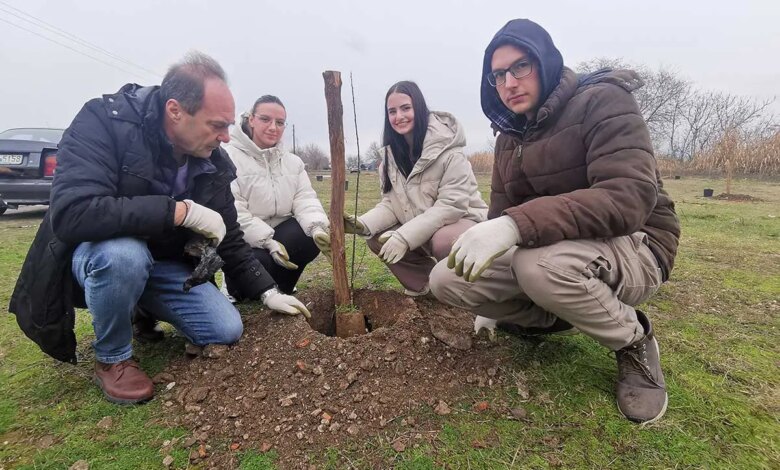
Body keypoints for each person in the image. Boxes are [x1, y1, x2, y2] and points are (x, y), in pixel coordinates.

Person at [8, 52, 310, 405]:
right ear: (175, 111)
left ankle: (140, 305)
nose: (227, 137)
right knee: (124, 256)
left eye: (228, 125)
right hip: (98, 256)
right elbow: (72, 213)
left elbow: (229, 238)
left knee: (225, 329)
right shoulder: (105, 123)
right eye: (216, 125)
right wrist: (178, 212)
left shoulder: (213, 161)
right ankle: (113, 358)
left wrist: (268, 292)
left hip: (162, 263)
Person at [429, 19, 681, 424]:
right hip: (558, 255)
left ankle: (635, 342)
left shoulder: (603, 100)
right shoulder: (508, 138)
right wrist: (492, 300)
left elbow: (628, 197)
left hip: (637, 245)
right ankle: (557, 314)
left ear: (545, 62)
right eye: (497, 75)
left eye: (520, 67)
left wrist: (513, 226)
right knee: (447, 278)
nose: (508, 82)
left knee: (537, 265)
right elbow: (500, 218)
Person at [344, 81, 488, 296]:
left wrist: (404, 237)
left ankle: (472, 292)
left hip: (462, 224)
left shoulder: (450, 152)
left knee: (443, 241)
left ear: (418, 108)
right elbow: (391, 204)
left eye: (405, 108)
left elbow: (451, 206)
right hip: (422, 227)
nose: (398, 116)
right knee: (376, 238)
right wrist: (364, 224)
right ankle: (428, 286)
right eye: (392, 111)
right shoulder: (390, 157)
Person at [222, 95, 330, 297]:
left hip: (281, 233)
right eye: (265, 119)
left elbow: (305, 199)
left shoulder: (293, 162)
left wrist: (317, 229)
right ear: (251, 119)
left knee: (306, 237)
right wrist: (268, 242)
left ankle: (283, 287)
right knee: (259, 261)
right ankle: (237, 289)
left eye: (280, 122)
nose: (273, 127)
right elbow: (234, 214)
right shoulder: (228, 158)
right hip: (247, 241)